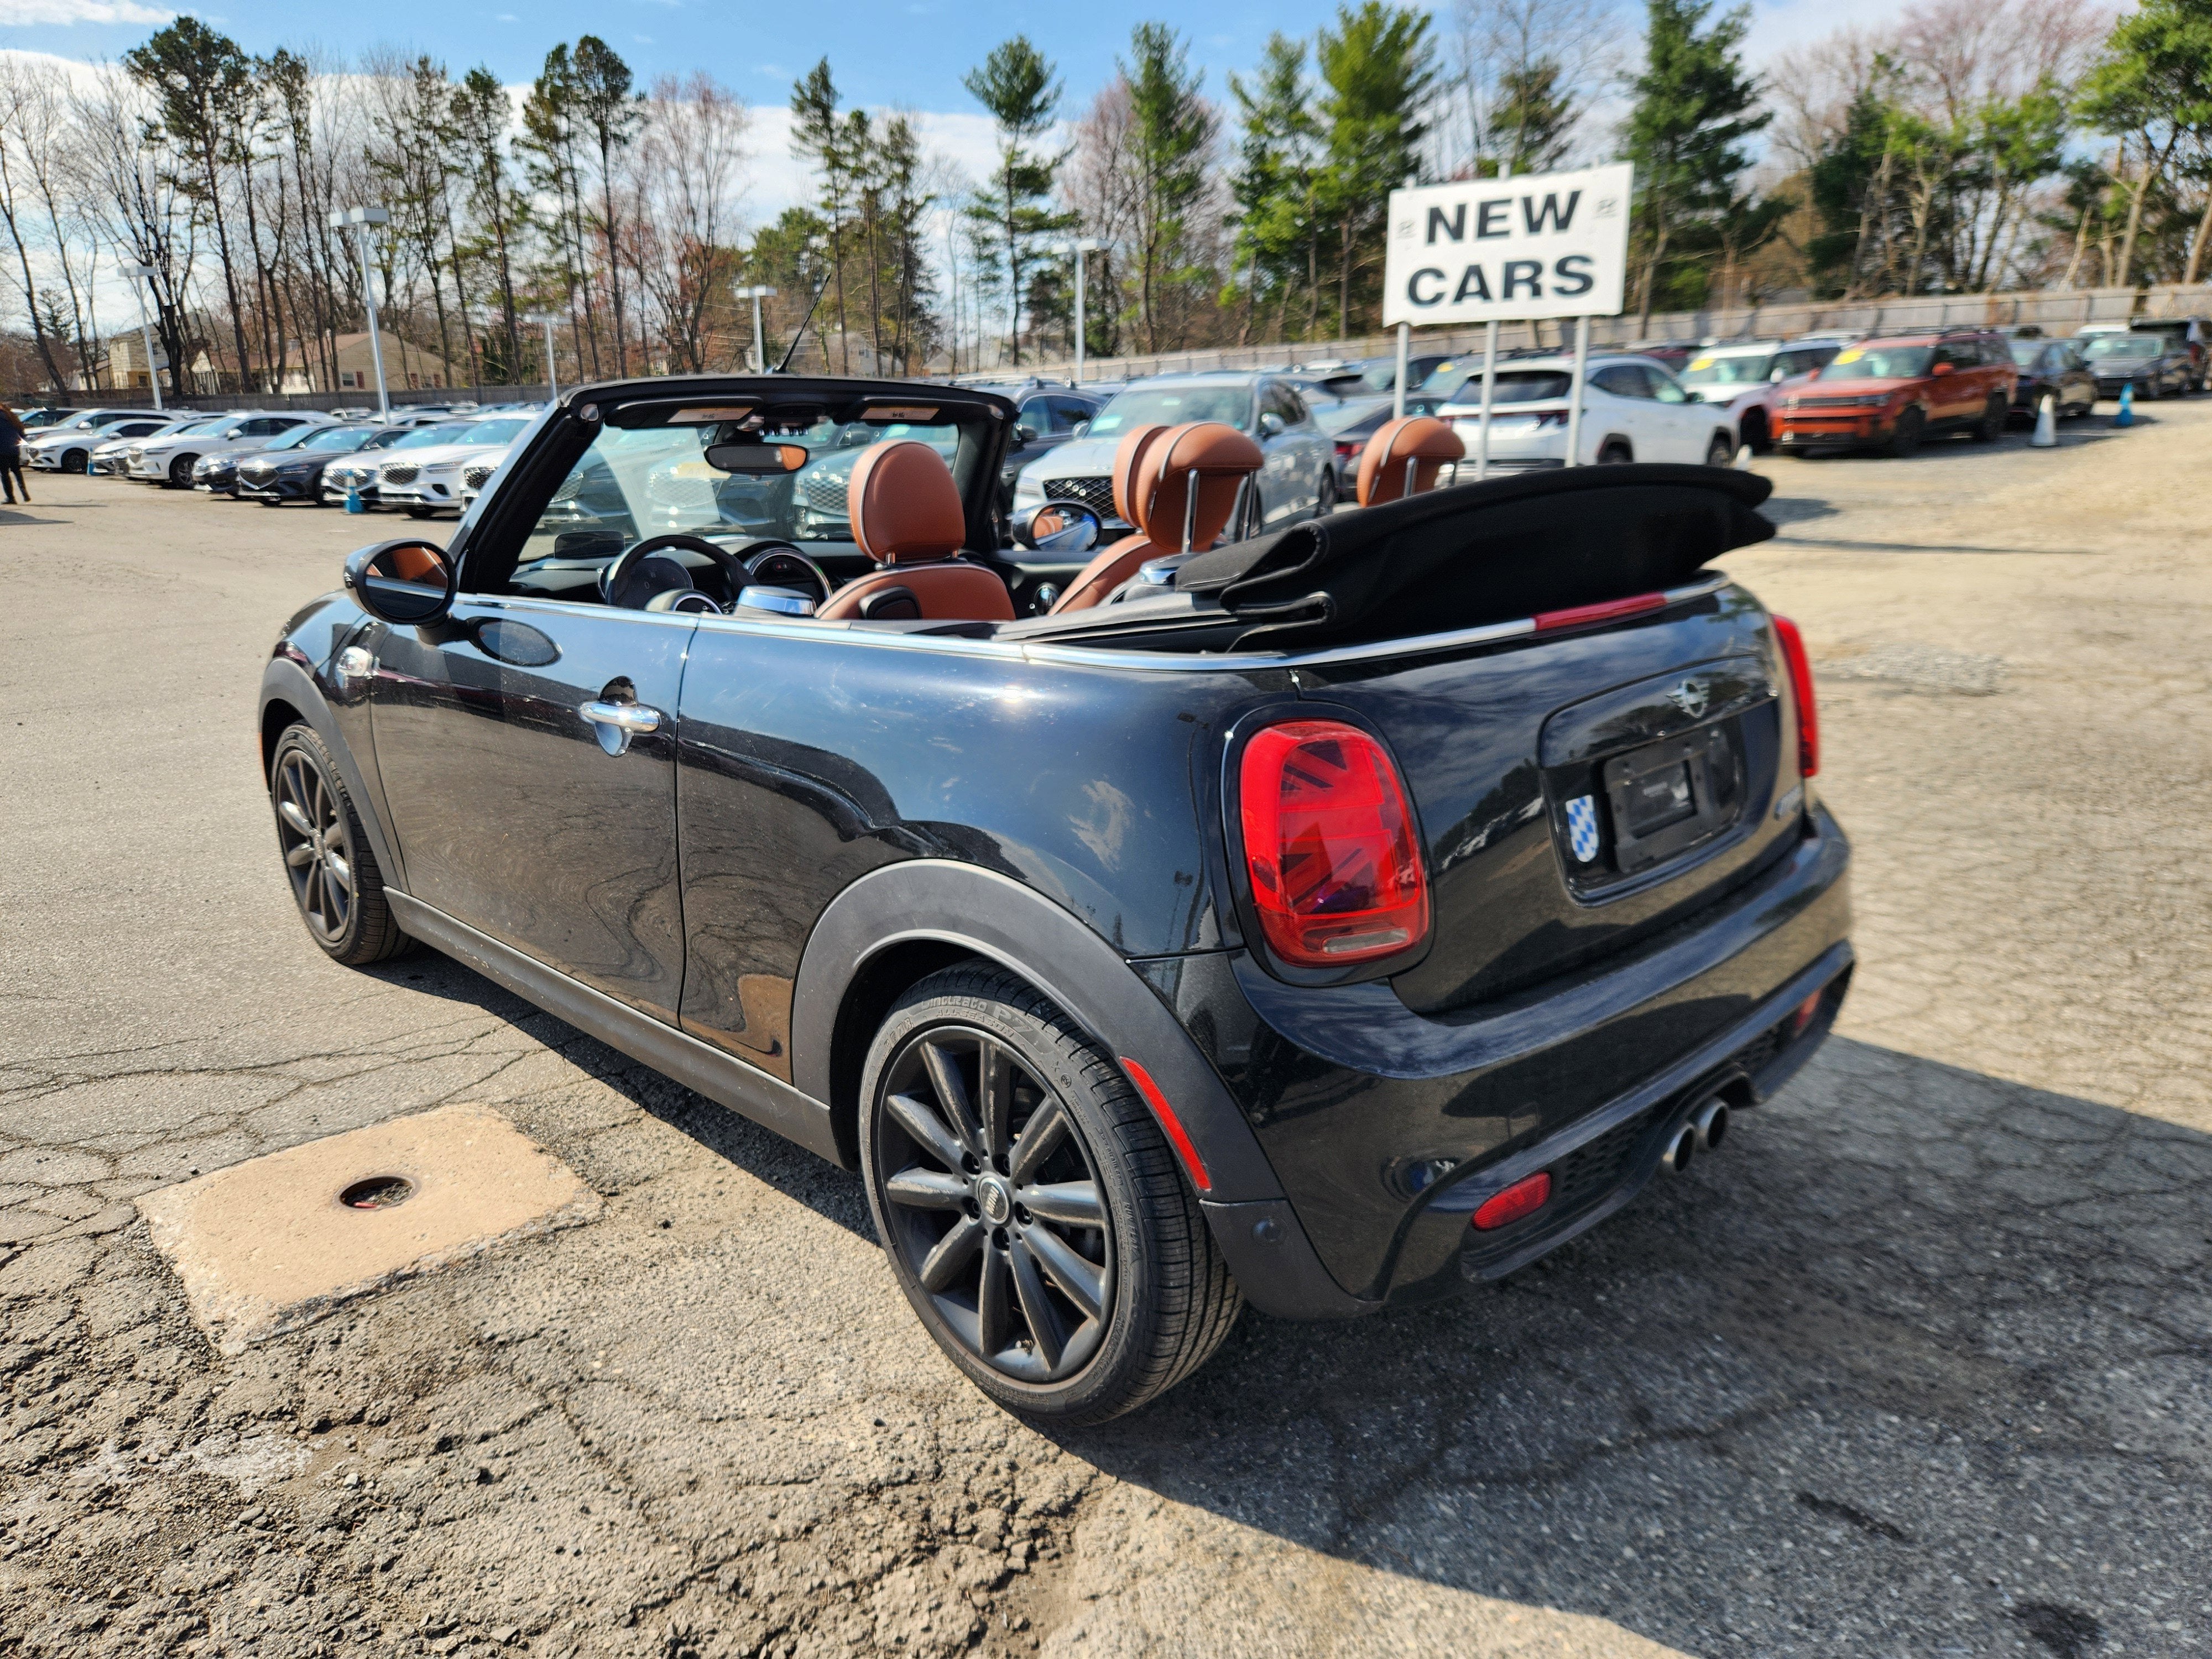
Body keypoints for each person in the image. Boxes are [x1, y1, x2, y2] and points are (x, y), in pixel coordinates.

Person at [0, 402, 27, 505]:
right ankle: (24, 493)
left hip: (2, 451)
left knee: (5, 474)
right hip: (14, 450)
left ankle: (11, 498)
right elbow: (23, 435)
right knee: (17, 471)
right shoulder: (13, 419)